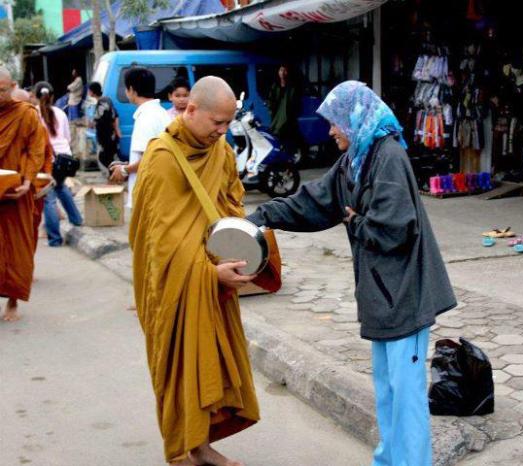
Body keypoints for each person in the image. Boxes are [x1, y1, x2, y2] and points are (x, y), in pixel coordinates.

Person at [247, 81, 457, 466]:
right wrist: (262, 217)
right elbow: (314, 202)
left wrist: (355, 220)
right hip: (381, 295)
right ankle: (389, 460)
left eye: (335, 122)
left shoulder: (388, 156)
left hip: (405, 295)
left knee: (406, 396)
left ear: (354, 118)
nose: (330, 131)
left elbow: (395, 229)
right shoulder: (356, 159)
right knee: (387, 391)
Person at [131, 76, 277, 466]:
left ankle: (203, 445)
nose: (222, 131)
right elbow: (159, 243)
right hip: (177, 285)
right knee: (181, 365)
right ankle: (182, 448)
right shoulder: (162, 157)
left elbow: (231, 206)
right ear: (190, 109)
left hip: (215, 278)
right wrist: (209, 274)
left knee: (212, 363)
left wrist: (243, 252)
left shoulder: (222, 152)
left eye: (228, 123)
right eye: (216, 122)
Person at [0, 66, 47, 322]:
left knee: (17, 248)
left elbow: (36, 149)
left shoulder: (25, 114)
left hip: (17, 190)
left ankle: (13, 301)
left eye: (3, 91)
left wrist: (28, 180)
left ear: (13, 86)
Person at [109, 66, 171, 209]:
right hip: (158, 190)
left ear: (131, 90)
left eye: (126, 88)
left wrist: (124, 170)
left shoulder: (146, 117)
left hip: (148, 194)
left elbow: (149, 159)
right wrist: (127, 164)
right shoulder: (160, 112)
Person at [34, 82, 83, 247]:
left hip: (47, 160)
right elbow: (67, 138)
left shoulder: (34, 114)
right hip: (63, 159)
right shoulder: (60, 113)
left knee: (49, 199)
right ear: (53, 96)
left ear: (35, 96)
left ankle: (55, 239)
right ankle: (77, 220)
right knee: (61, 188)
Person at [11, 87, 53, 251]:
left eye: (27, 105)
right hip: (9, 187)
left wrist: (47, 176)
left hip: (34, 189)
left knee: (31, 227)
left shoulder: (39, 128)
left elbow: (47, 155)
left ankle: (25, 266)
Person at [88, 81, 121, 174]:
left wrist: (90, 124)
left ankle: (115, 176)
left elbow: (98, 119)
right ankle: (115, 176)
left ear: (92, 92)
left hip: (106, 135)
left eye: (89, 90)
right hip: (110, 134)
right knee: (109, 156)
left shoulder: (102, 103)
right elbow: (115, 115)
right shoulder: (106, 100)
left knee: (104, 157)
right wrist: (117, 129)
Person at [267, 64, 301, 153]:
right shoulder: (275, 86)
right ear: (278, 72)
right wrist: (271, 108)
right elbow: (270, 100)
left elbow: (295, 102)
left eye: (285, 71)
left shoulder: (292, 87)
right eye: (281, 70)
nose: (283, 73)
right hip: (277, 116)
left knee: (288, 139)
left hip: (289, 117)